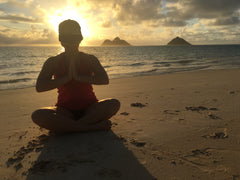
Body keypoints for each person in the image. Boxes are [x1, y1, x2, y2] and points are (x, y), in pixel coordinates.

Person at [31, 19, 120, 133]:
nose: (71, 43)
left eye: (74, 38)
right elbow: (40, 87)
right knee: (38, 115)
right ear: (61, 40)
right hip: (64, 110)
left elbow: (104, 80)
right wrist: (67, 78)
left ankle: (70, 127)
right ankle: (89, 127)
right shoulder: (53, 61)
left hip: (90, 108)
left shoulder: (89, 59)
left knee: (113, 103)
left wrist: (78, 77)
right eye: (67, 39)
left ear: (80, 39)